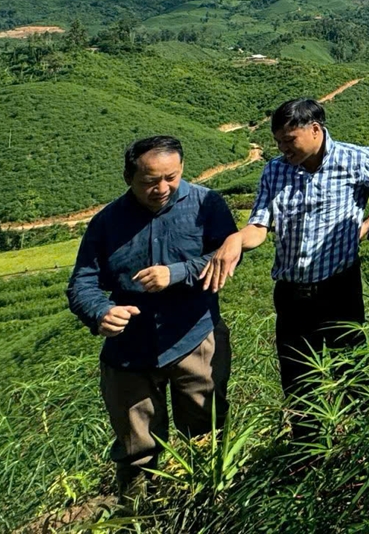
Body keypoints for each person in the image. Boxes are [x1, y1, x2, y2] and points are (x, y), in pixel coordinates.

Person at [202, 98, 369, 404]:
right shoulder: (275, 171)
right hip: (290, 295)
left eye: (289, 141)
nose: (283, 149)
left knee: (352, 374)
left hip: (339, 290)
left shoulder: (355, 159)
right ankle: (306, 447)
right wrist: (234, 240)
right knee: (297, 384)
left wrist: (368, 227)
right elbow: (259, 228)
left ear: (314, 129)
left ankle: (353, 443)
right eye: (278, 142)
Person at [66, 136, 237, 498]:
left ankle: (209, 504)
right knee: (136, 450)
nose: (162, 188)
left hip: (194, 337)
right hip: (129, 351)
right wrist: (101, 312)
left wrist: (175, 273)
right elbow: (82, 282)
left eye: (171, 178)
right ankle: (141, 514)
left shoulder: (208, 205)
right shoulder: (107, 222)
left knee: (206, 433)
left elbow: (225, 258)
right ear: (129, 177)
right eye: (150, 181)